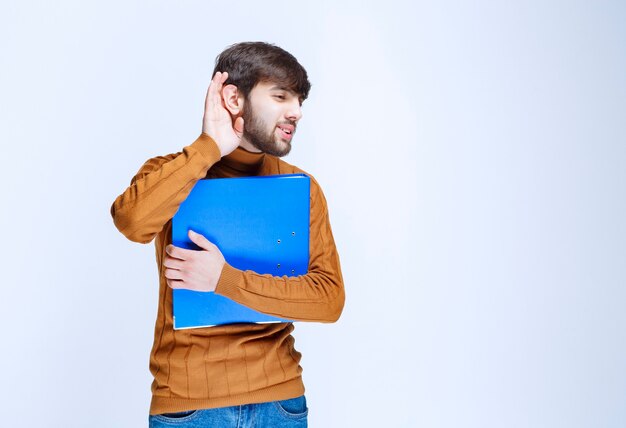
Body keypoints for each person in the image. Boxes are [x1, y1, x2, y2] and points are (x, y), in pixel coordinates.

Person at [110, 41, 345, 427]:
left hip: (281, 403)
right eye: (281, 95)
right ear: (234, 98)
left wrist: (223, 279)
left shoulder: (300, 187)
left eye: (299, 100)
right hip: (190, 407)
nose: (296, 112)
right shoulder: (174, 173)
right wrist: (208, 148)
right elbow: (131, 223)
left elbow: (328, 300)